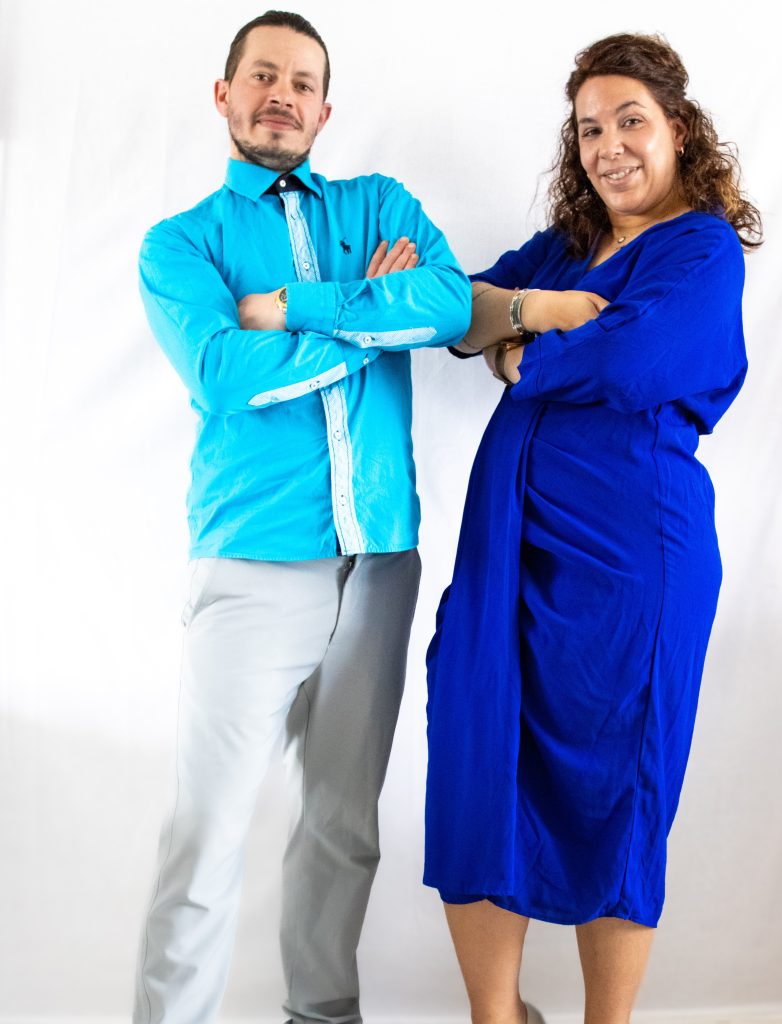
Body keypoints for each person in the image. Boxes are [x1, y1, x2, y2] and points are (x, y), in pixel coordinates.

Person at [133, 11, 470, 1024]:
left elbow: (450, 307)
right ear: (226, 94)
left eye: (302, 81)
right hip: (250, 568)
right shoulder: (182, 242)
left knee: (342, 823)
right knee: (206, 831)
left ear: (326, 109)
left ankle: (321, 1014)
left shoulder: (381, 203)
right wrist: (370, 312)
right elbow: (223, 374)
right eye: (262, 75)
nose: (281, 94)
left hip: (380, 563)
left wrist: (301, 306)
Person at [425, 33, 762, 1024]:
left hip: (629, 561)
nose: (608, 145)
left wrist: (522, 348)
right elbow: (460, 308)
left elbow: (630, 358)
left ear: (677, 130)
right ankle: (499, 1015)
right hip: (507, 548)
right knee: (477, 758)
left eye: (631, 121)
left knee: (616, 780)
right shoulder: (569, 248)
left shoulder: (699, 246)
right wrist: (523, 309)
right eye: (588, 129)